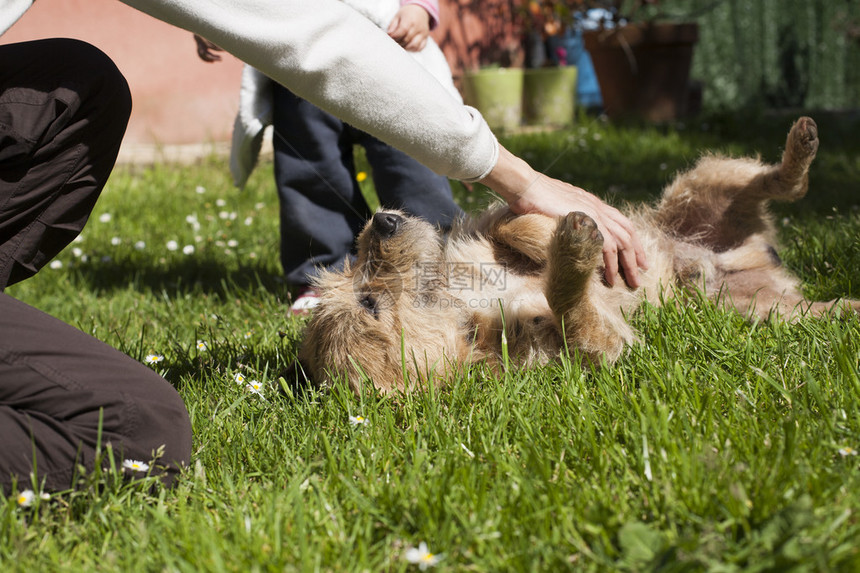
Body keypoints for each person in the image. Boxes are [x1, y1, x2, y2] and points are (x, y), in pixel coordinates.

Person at [0, 0, 646, 493]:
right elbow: (297, 31)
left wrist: (413, 10)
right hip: (321, 53)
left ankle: (422, 248)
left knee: (80, 84)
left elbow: (294, 25)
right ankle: (318, 269)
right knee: (137, 432)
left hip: (381, 52)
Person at [196, 0, 466, 315]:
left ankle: (443, 259)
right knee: (311, 167)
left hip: (384, 46)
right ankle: (325, 271)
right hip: (297, 50)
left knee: (410, 160)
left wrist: (419, 7)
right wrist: (213, 10)